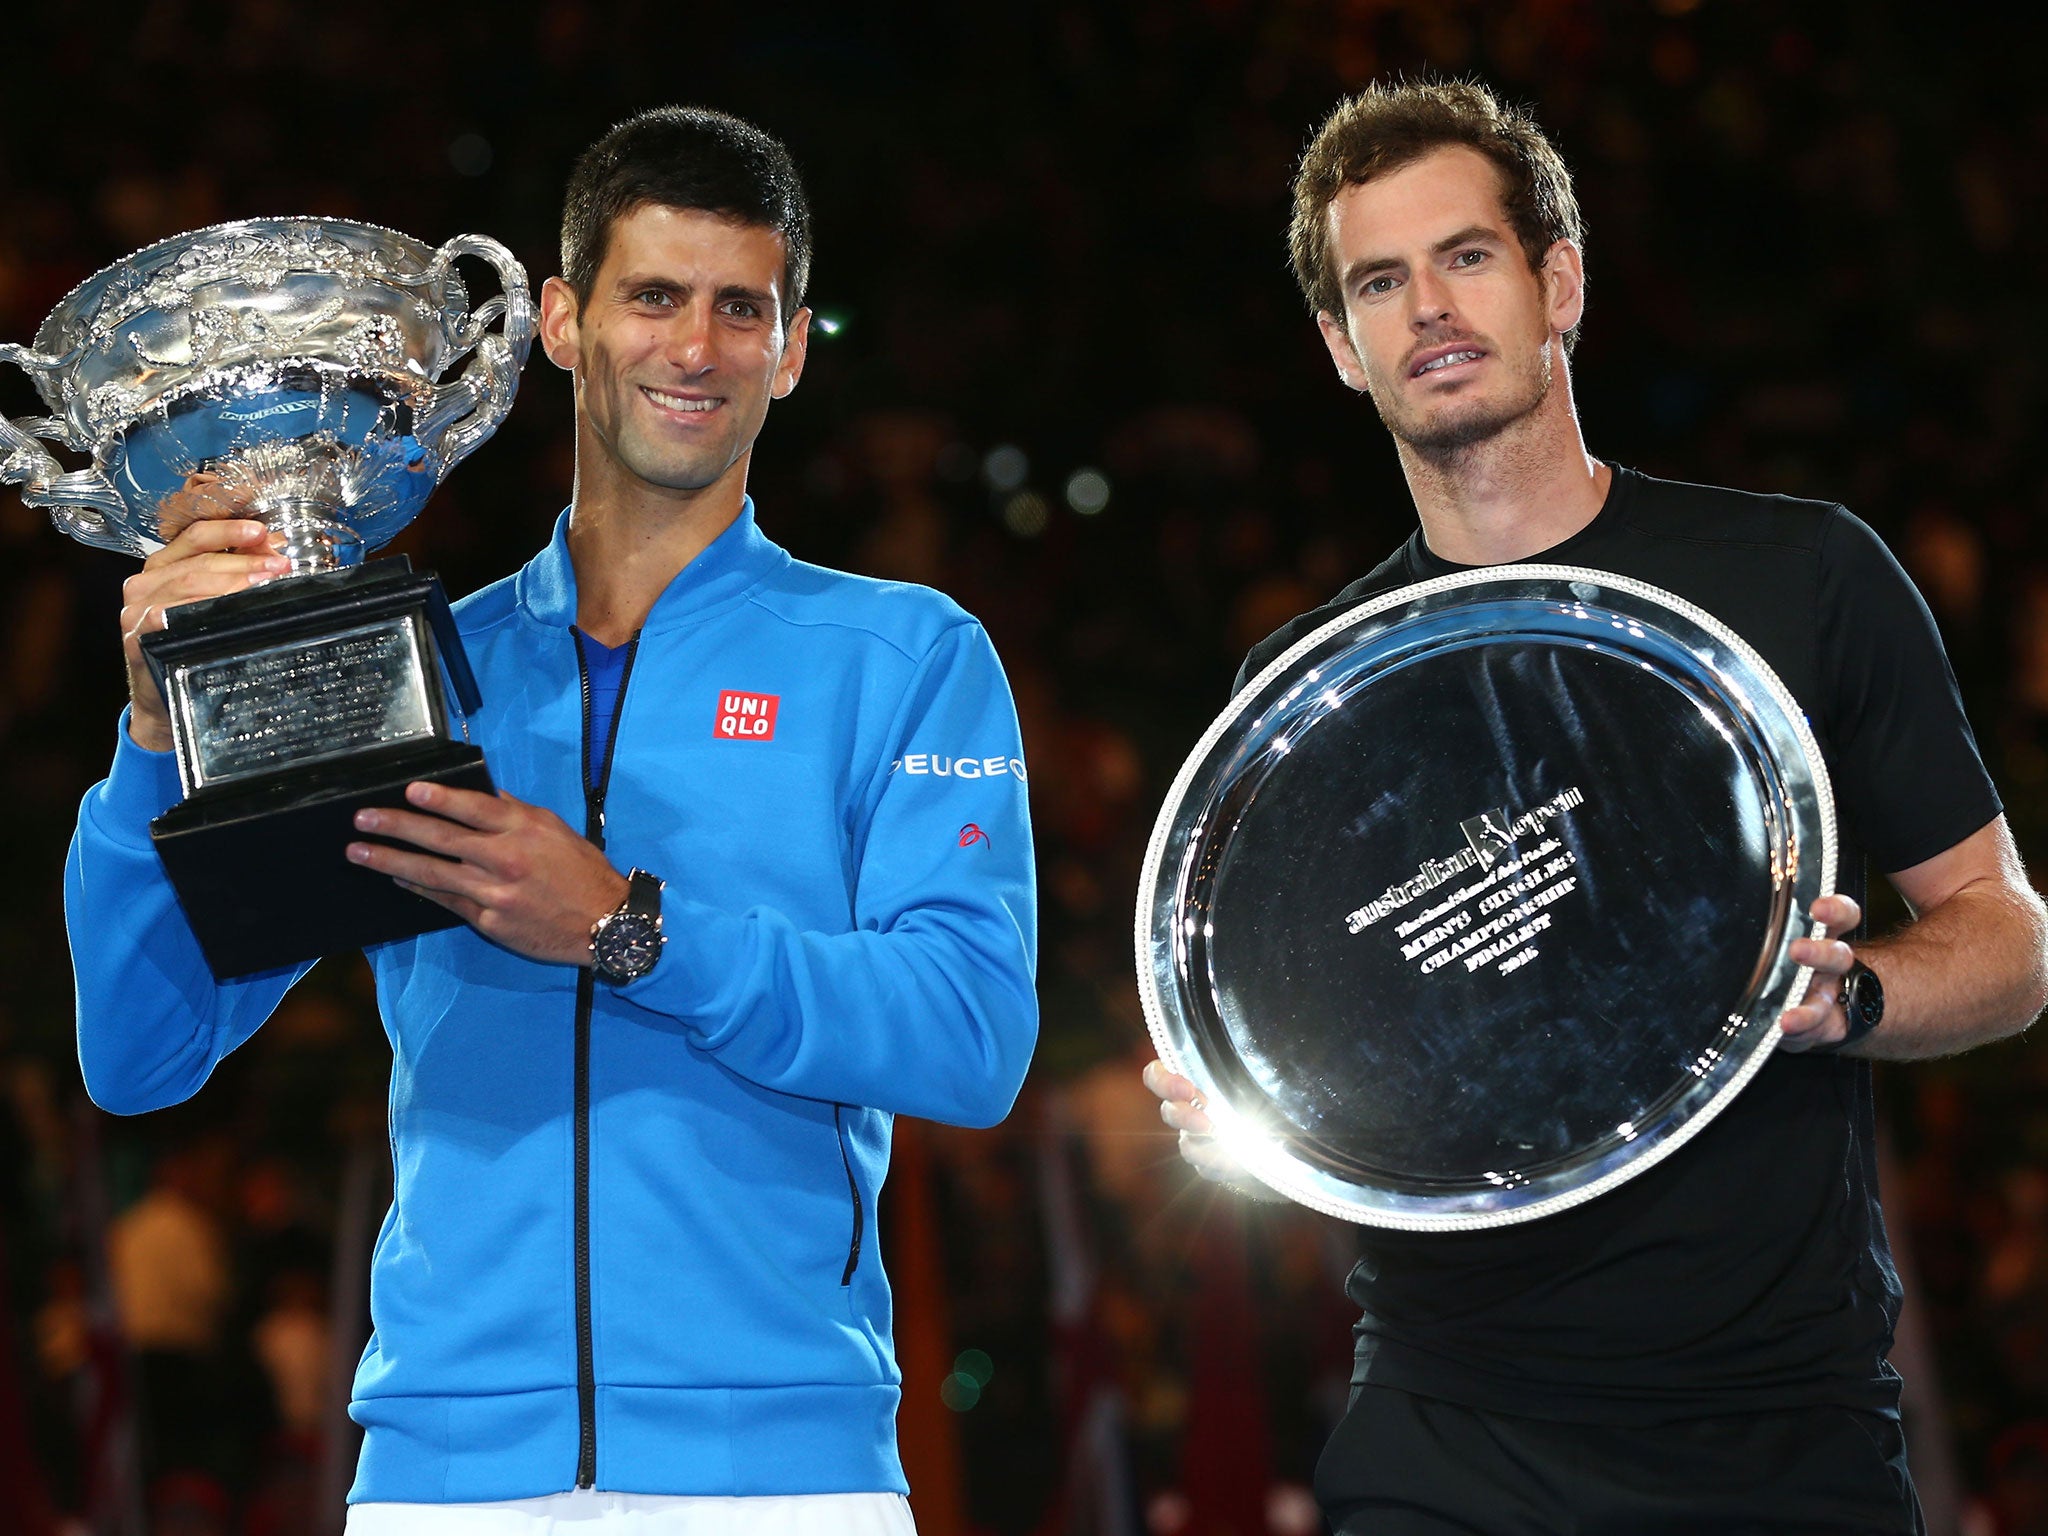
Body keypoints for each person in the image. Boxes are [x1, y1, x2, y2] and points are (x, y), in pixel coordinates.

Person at [67, 106, 1038, 1533]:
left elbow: (969, 1036)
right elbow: (140, 1058)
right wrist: (156, 736)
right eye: (654, 297)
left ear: (791, 344)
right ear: (567, 322)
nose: (694, 350)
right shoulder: (417, 674)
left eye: (738, 308)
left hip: (779, 1476)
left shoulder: (902, 656)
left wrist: (632, 930)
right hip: (445, 1476)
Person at [1144, 78, 2048, 1534]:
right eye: (1381, 281)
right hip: (1446, 1423)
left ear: (1558, 280)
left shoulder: (1803, 578)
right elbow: (1322, 1041)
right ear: (1339, 348)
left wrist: (1852, 998)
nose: (1430, 307)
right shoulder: (1307, 694)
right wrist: (1246, 1104)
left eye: (1469, 256)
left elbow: (2009, 939)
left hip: (1773, 1419)